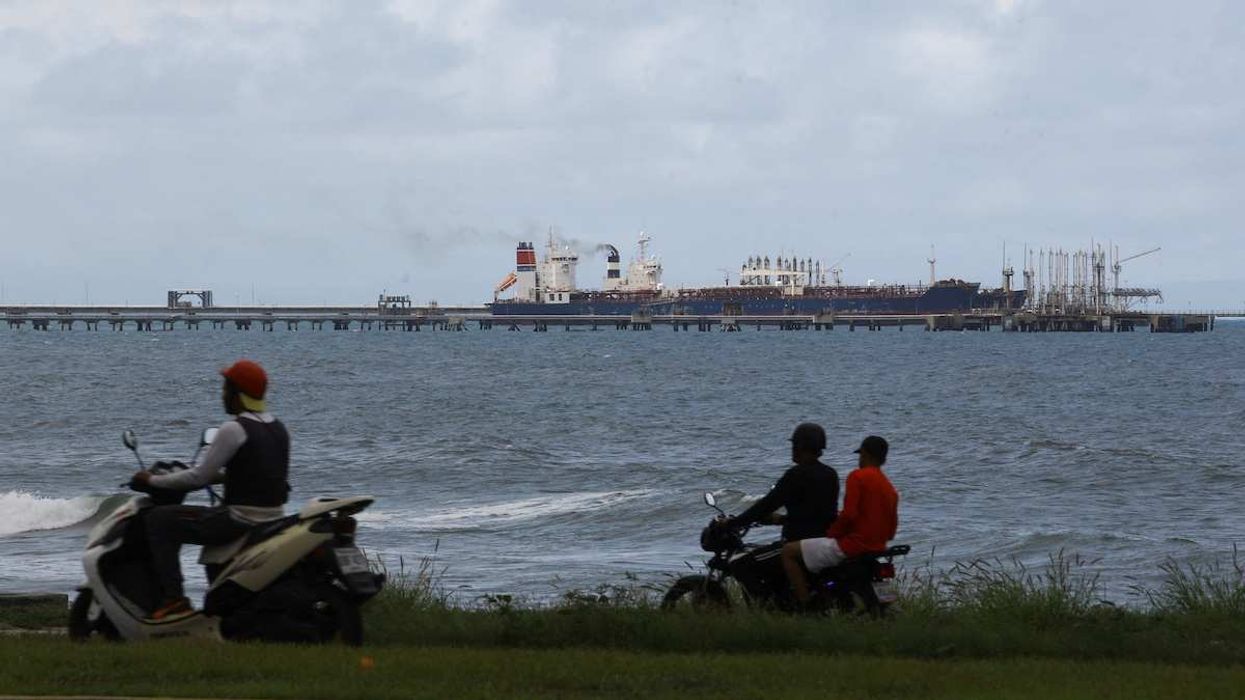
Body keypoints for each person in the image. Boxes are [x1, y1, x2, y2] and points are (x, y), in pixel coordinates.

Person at [129, 359, 290, 622]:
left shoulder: (234, 429)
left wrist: (152, 481)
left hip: (240, 517)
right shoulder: (277, 427)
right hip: (273, 516)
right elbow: (254, 471)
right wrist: (221, 478)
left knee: (159, 520)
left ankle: (174, 599)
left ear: (238, 394)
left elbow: (197, 477)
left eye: (226, 388)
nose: (222, 394)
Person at [781, 435, 898, 605]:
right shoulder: (890, 488)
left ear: (864, 454)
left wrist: (832, 532)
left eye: (860, 455)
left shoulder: (857, 476)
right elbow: (891, 530)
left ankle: (804, 605)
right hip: (878, 548)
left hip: (852, 546)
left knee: (788, 552)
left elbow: (849, 514)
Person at [719, 423, 839, 542]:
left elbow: (766, 505)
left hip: (798, 541)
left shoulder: (796, 474)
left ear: (800, 446)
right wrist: (781, 519)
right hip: (825, 540)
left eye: (794, 445)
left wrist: (733, 523)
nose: (792, 449)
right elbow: (815, 515)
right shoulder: (831, 474)